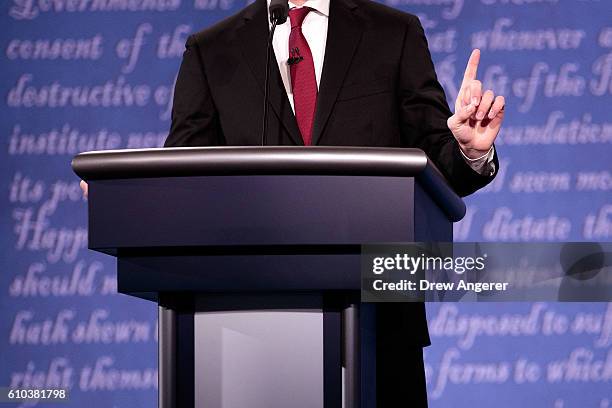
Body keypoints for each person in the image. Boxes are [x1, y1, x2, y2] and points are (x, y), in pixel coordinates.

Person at [81, 0, 505, 405]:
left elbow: (434, 166)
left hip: (380, 331)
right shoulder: (212, 50)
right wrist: (127, 198)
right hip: (240, 341)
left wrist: (469, 150)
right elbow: (184, 179)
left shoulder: (393, 33)